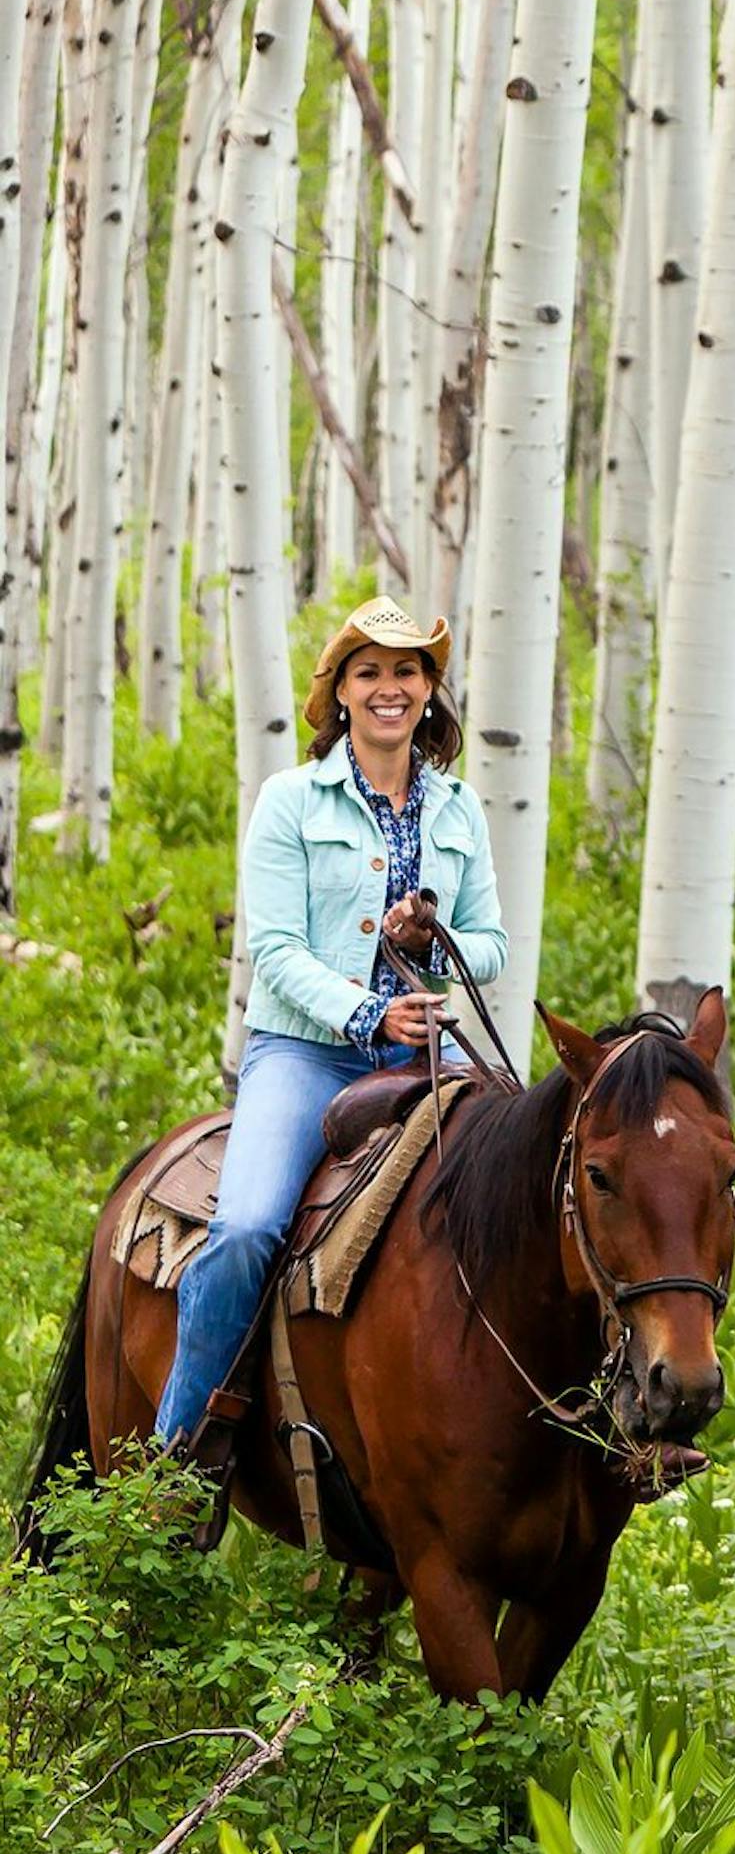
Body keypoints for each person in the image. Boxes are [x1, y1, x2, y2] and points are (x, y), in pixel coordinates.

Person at [153, 597, 507, 1470]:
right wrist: (365, 1010)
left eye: (408, 671)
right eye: (370, 671)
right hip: (306, 1052)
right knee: (244, 1230)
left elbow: (493, 943)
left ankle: (572, 1426)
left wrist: (438, 938)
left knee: (535, 1179)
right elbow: (272, 948)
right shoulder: (289, 801)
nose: (390, 688)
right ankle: (175, 1454)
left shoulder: (459, 811)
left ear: (430, 692)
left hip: (426, 1052)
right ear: (340, 691)